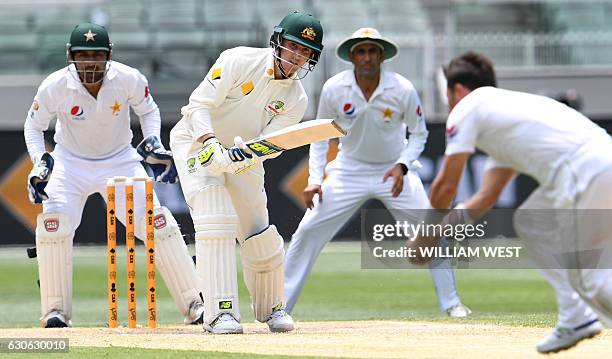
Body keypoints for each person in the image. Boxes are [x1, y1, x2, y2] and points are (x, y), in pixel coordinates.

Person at [409, 51, 611, 353]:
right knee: (532, 220)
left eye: (449, 97)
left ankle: (579, 315)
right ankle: (575, 315)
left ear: (459, 90)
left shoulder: (469, 106)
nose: (450, 106)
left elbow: (445, 185)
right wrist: (438, 234)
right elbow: (484, 199)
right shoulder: (504, 117)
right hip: (598, 163)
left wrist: (424, 237)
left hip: (585, 171)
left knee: (590, 278)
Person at [24, 23, 204, 328]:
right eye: (83, 55)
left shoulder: (128, 78)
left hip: (120, 161)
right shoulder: (54, 86)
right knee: (53, 228)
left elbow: (148, 110)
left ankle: (195, 304)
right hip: (70, 163)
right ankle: (54, 311)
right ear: (71, 57)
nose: (90, 61)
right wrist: (40, 161)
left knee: (157, 224)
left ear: (109, 56)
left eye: (97, 54)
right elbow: (34, 126)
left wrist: (153, 142)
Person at [283, 28, 470, 317]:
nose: (367, 57)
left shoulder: (402, 89)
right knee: (306, 231)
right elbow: (321, 137)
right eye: (361, 51)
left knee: (431, 230)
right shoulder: (334, 89)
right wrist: (314, 180)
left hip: (394, 172)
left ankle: (452, 303)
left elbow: (419, 134)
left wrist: (403, 165)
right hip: (348, 171)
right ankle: (280, 307)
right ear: (352, 56)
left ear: (381, 55)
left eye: (372, 51)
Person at [169, 11, 324, 334]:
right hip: (196, 142)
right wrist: (210, 143)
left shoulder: (296, 98)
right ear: (278, 42)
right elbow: (198, 105)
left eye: (306, 53)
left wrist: (239, 156)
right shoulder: (238, 60)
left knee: (259, 230)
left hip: (243, 155)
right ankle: (219, 312)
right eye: (293, 47)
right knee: (216, 217)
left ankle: (271, 308)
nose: (297, 58)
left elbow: (271, 144)